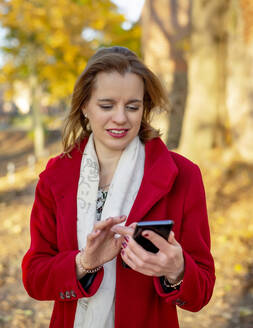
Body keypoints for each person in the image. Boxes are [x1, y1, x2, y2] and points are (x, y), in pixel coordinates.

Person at [22, 46, 215, 328]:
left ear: (144, 108)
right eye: (107, 105)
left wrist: (178, 270)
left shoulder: (184, 175)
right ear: (84, 106)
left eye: (132, 106)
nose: (121, 118)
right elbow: (35, 279)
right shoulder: (55, 178)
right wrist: (84, 262)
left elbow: (203, 290)